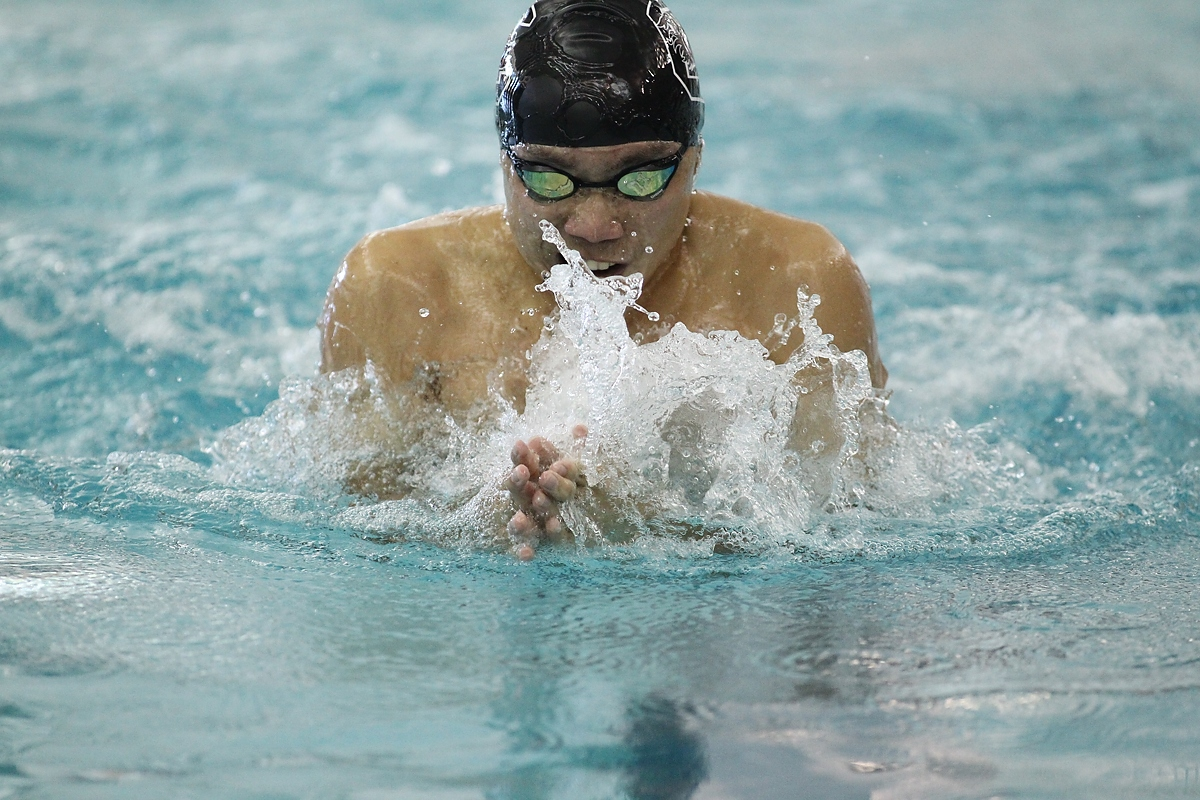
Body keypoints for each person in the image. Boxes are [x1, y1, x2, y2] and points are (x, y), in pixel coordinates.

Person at [319, 0, 887, 559]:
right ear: (505, 162)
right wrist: (479, 527)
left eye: (639, 180)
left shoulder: (795, 286)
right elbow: (355, 530)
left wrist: (641, 530)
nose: (593, 226)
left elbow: (853, 533)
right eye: (550, 180)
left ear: (694, 160)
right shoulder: (395, 286)